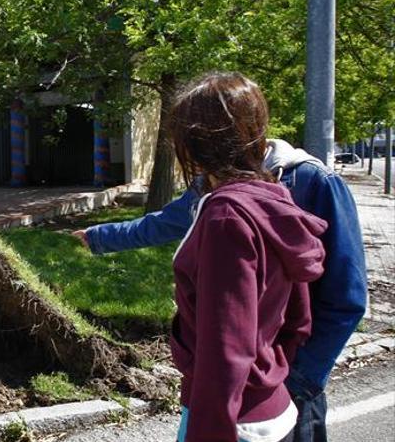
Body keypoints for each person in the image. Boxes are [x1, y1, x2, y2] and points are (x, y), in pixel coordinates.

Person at [74, 101, 367, 442]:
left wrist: (298, 376)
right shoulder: (212, 184)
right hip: (253, 388)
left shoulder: (309, 183)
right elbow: (166, 221)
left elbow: (343, 298)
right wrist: (98, 237)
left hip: (280, 385)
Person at [134, 72, 328, 442]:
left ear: (192, 144)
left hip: (231, 421)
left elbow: (226, 349)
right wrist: (267, 373)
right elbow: (299, 319)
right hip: (274, 408)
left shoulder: (226, 216)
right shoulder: (274, 199)